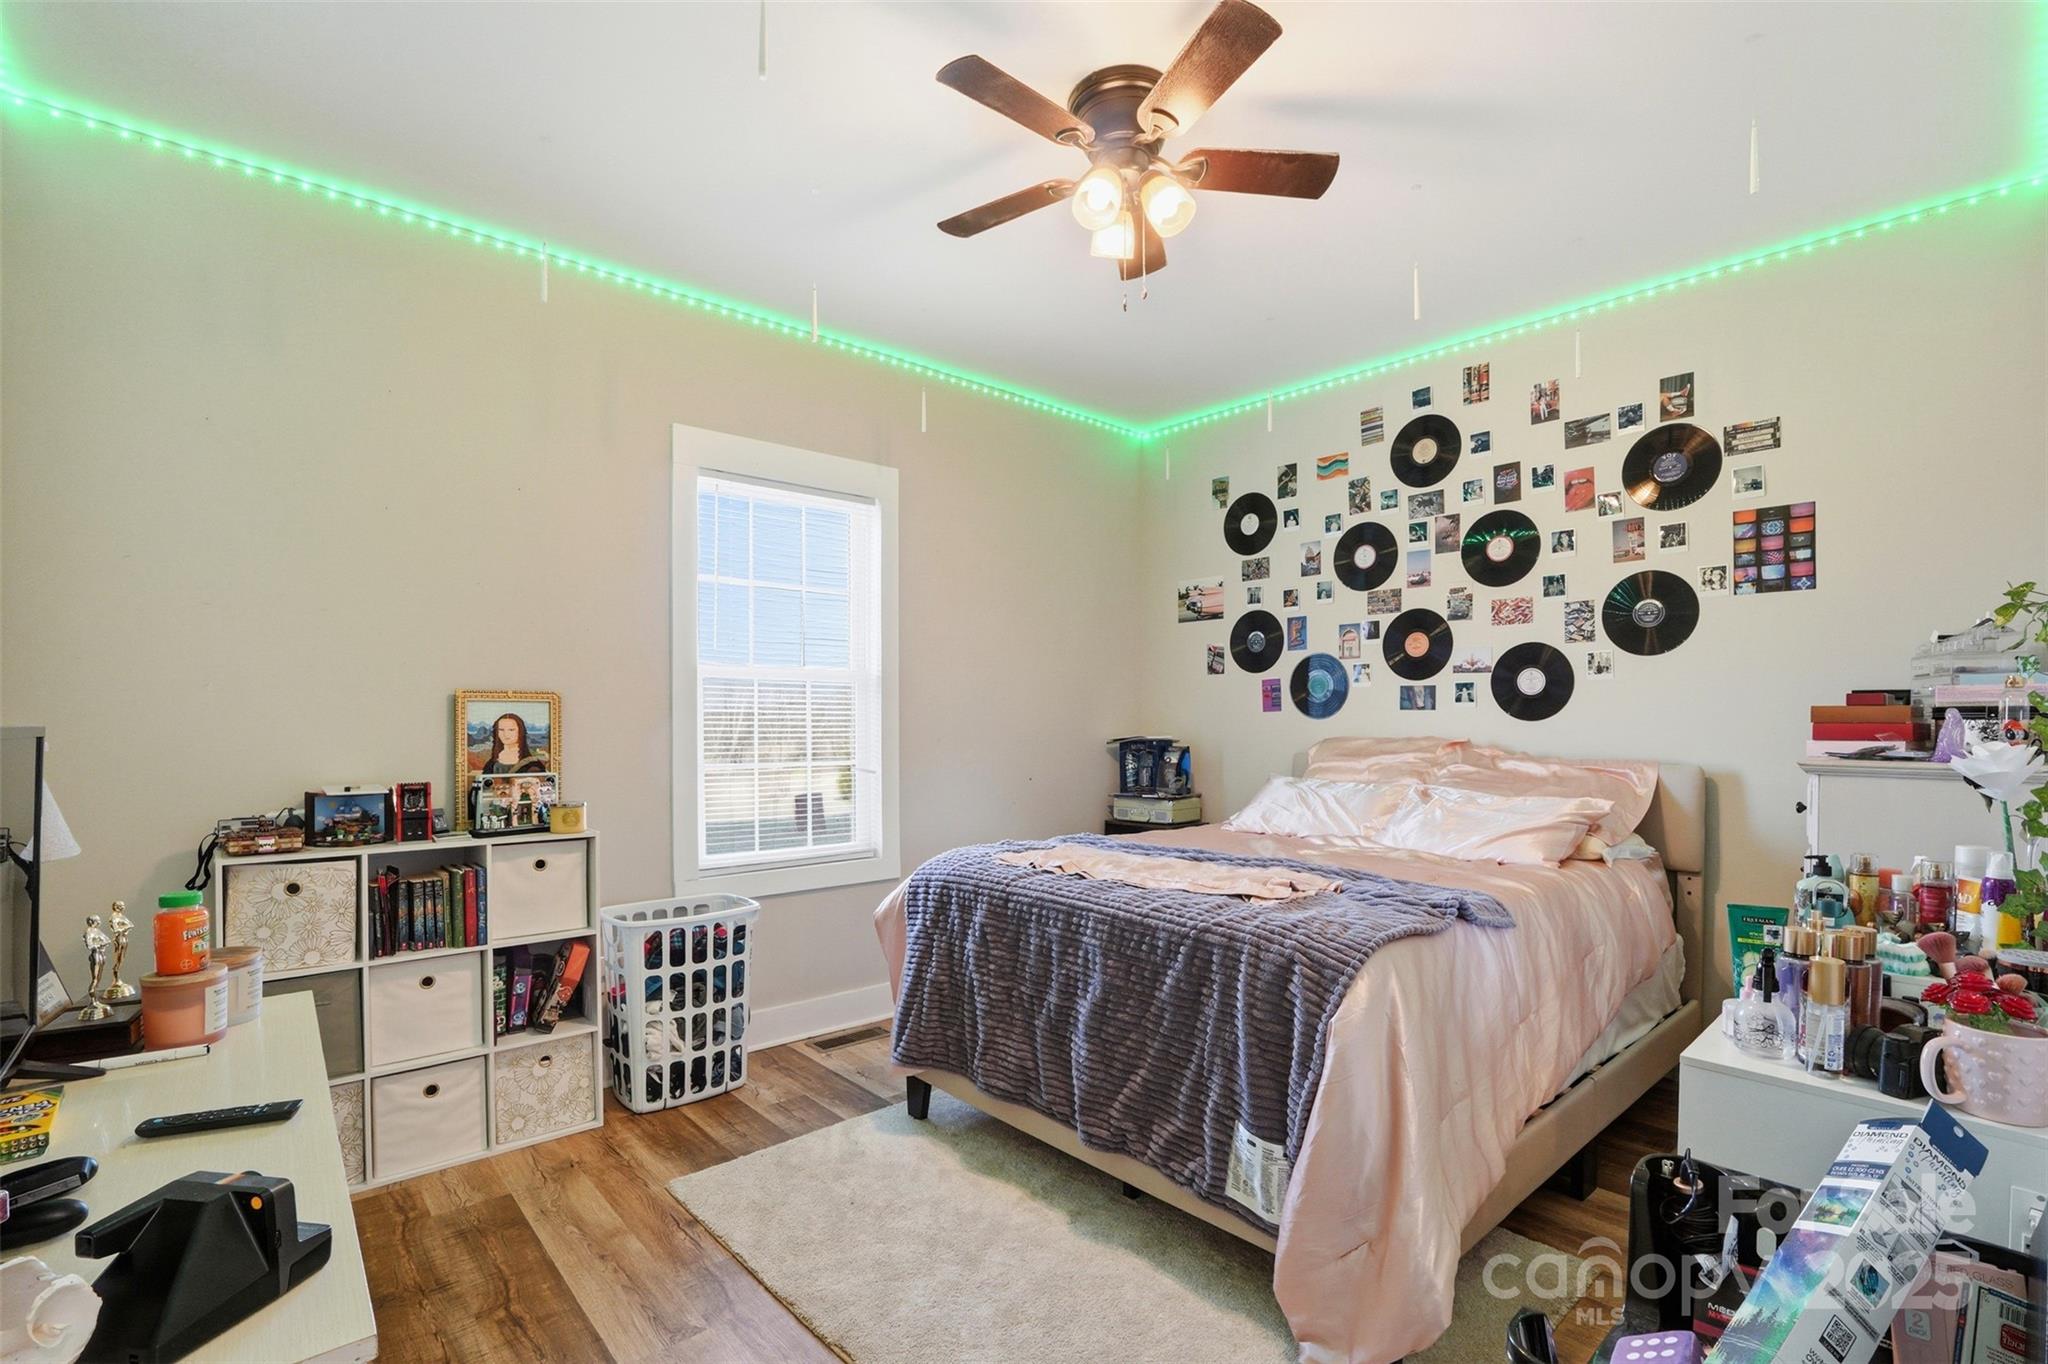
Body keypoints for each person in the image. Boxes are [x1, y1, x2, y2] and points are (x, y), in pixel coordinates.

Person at [481, 712, 548, 773]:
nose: (506, 734)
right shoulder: (491, 763)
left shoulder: (532, 763)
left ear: (520, 732)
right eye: (501, 730)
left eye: (511, 730)